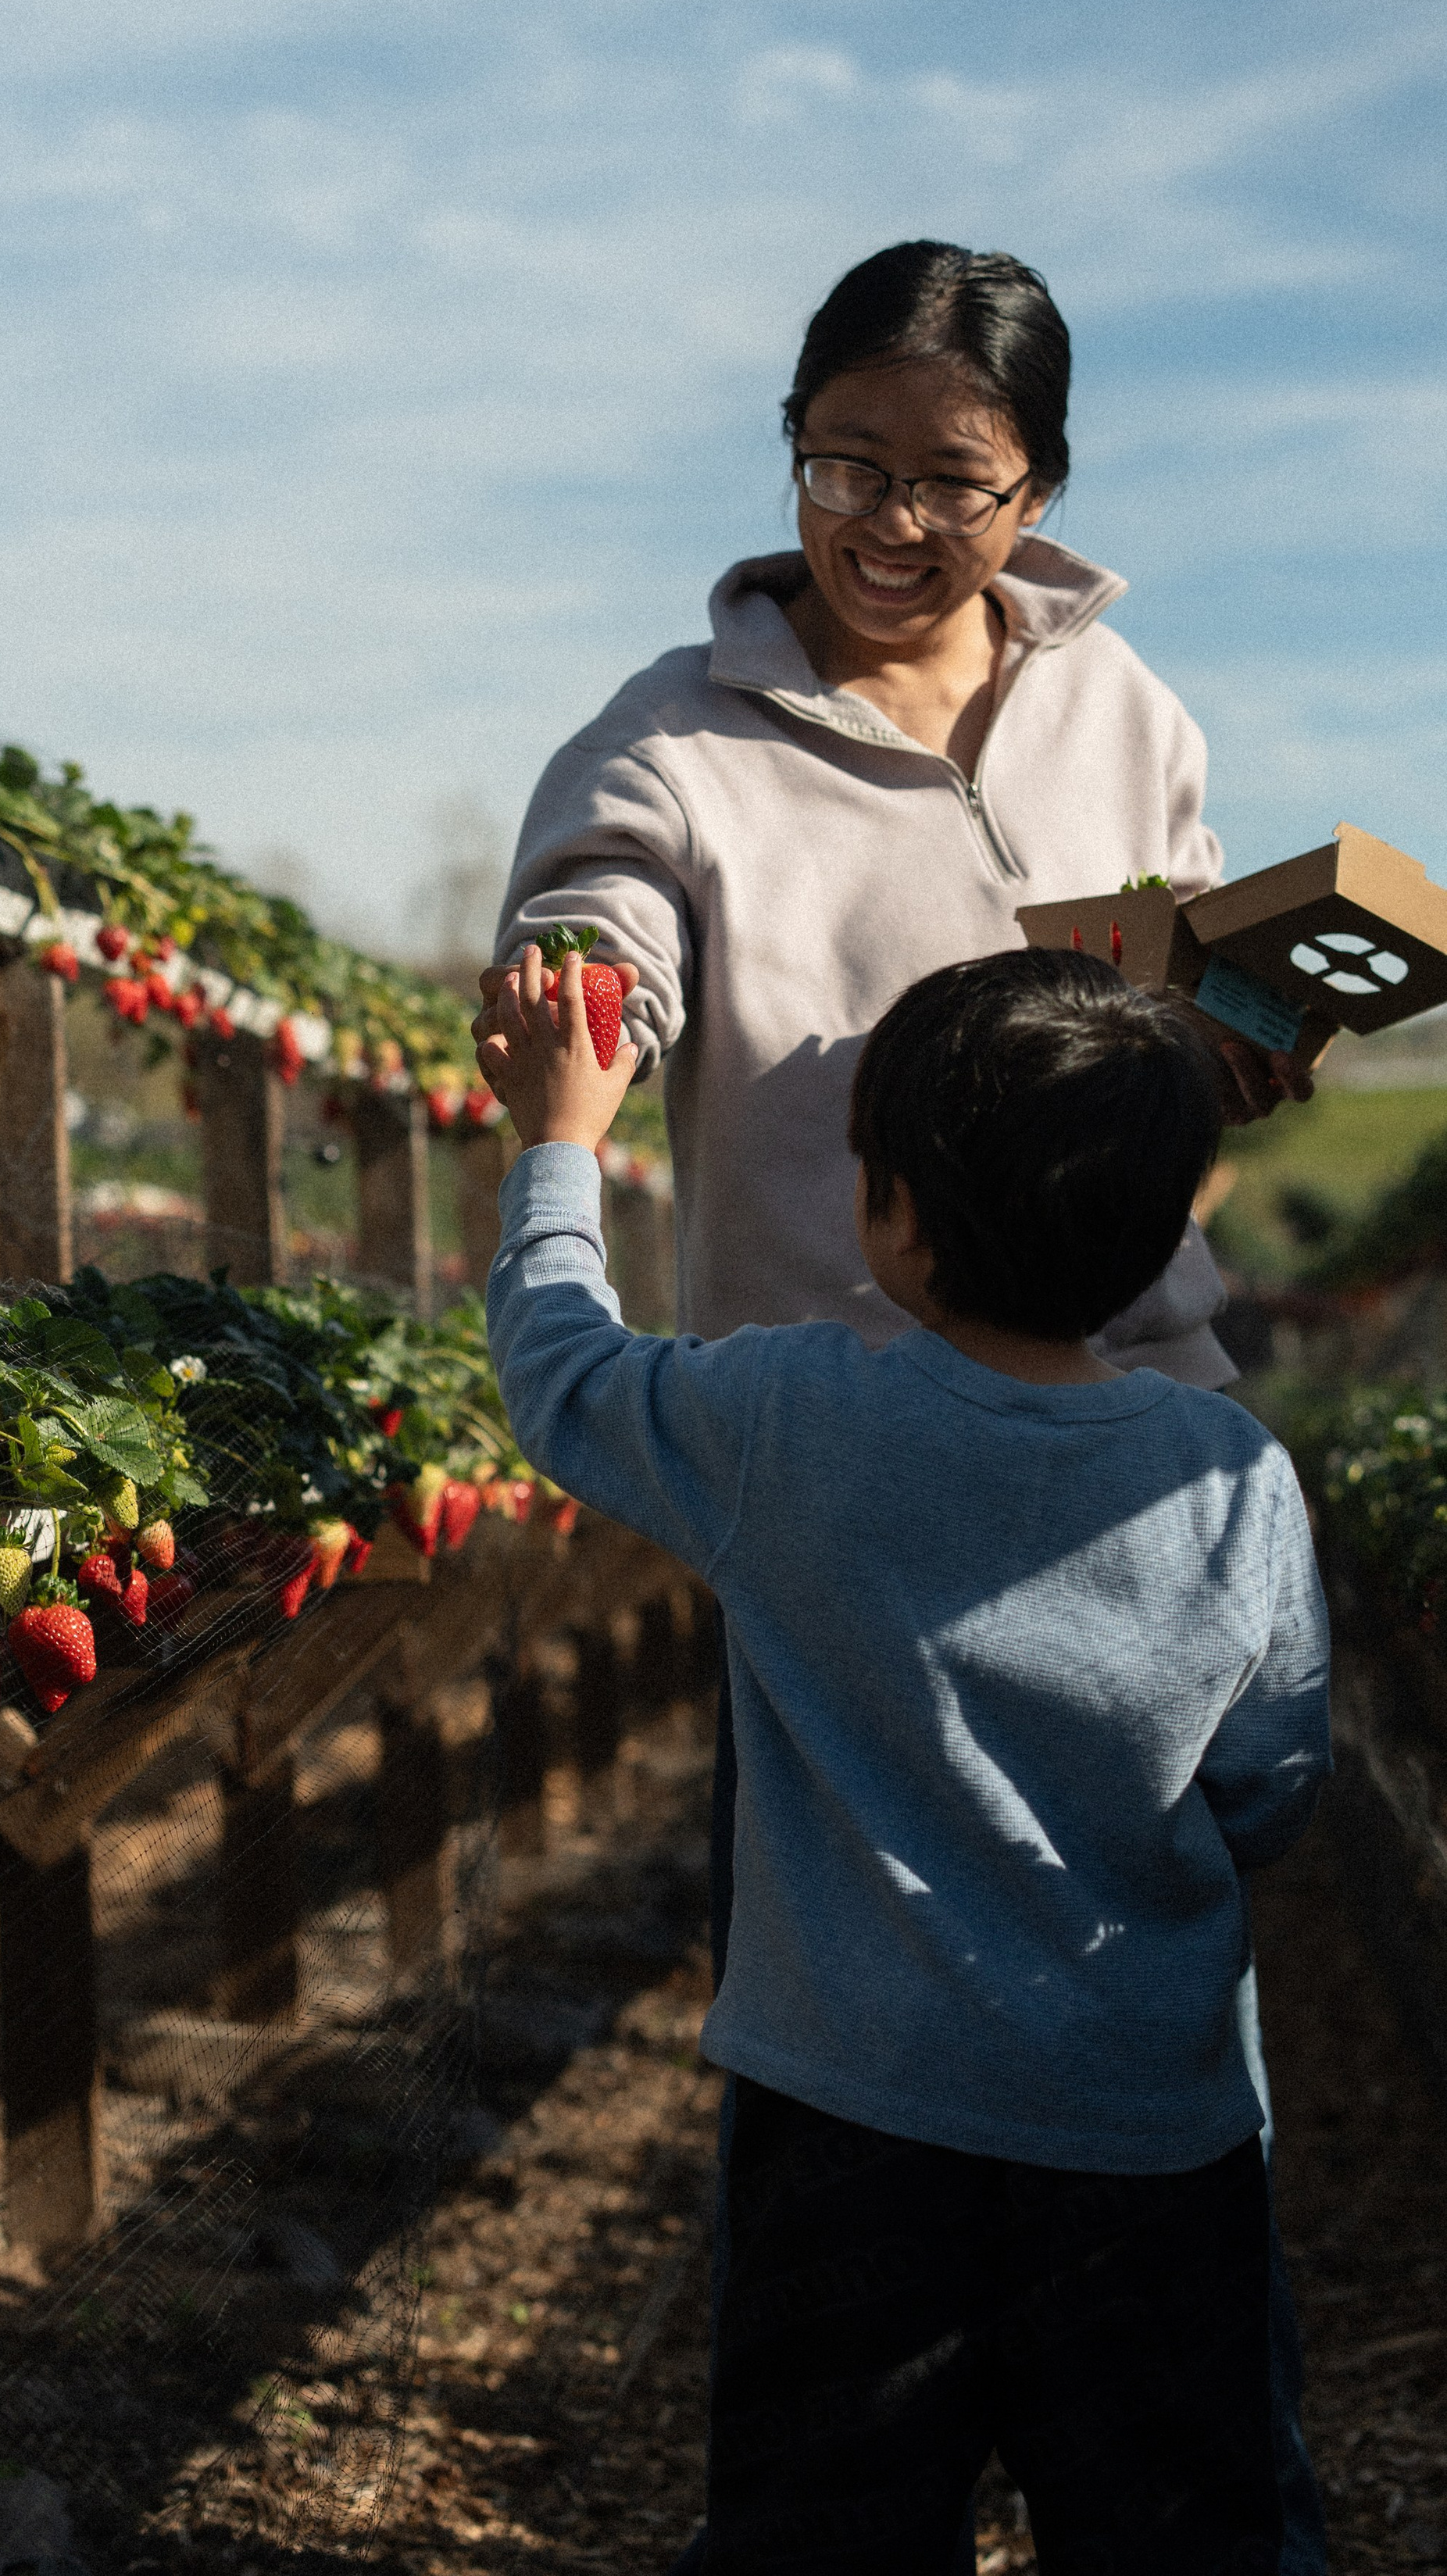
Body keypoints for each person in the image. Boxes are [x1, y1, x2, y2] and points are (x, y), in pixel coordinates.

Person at [478, 239, 1325, 2569]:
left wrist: (1222, 1046)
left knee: (1030, 2053)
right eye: (840, 462)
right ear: (790, 448)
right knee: (882, 1975)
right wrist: (598, 1000)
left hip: (1117, 1415)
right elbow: (603, 910)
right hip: (844, 1466)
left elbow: (1150, 1000)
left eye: (949, 481)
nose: (887, 521)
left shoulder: (1122, 704)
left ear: (1037, 483)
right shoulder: (679, 729)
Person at [476, 939, 1330, 2576]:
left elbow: (559, 1371)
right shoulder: (1227, 1476)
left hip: (852, 2129)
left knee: (827, 2530)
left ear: (895, 1218)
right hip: (1145, 2136)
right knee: (1178, 2529)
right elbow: (1273, 1782)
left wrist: (558, 1139)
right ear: (1160, 1230)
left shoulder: (788, 1421)